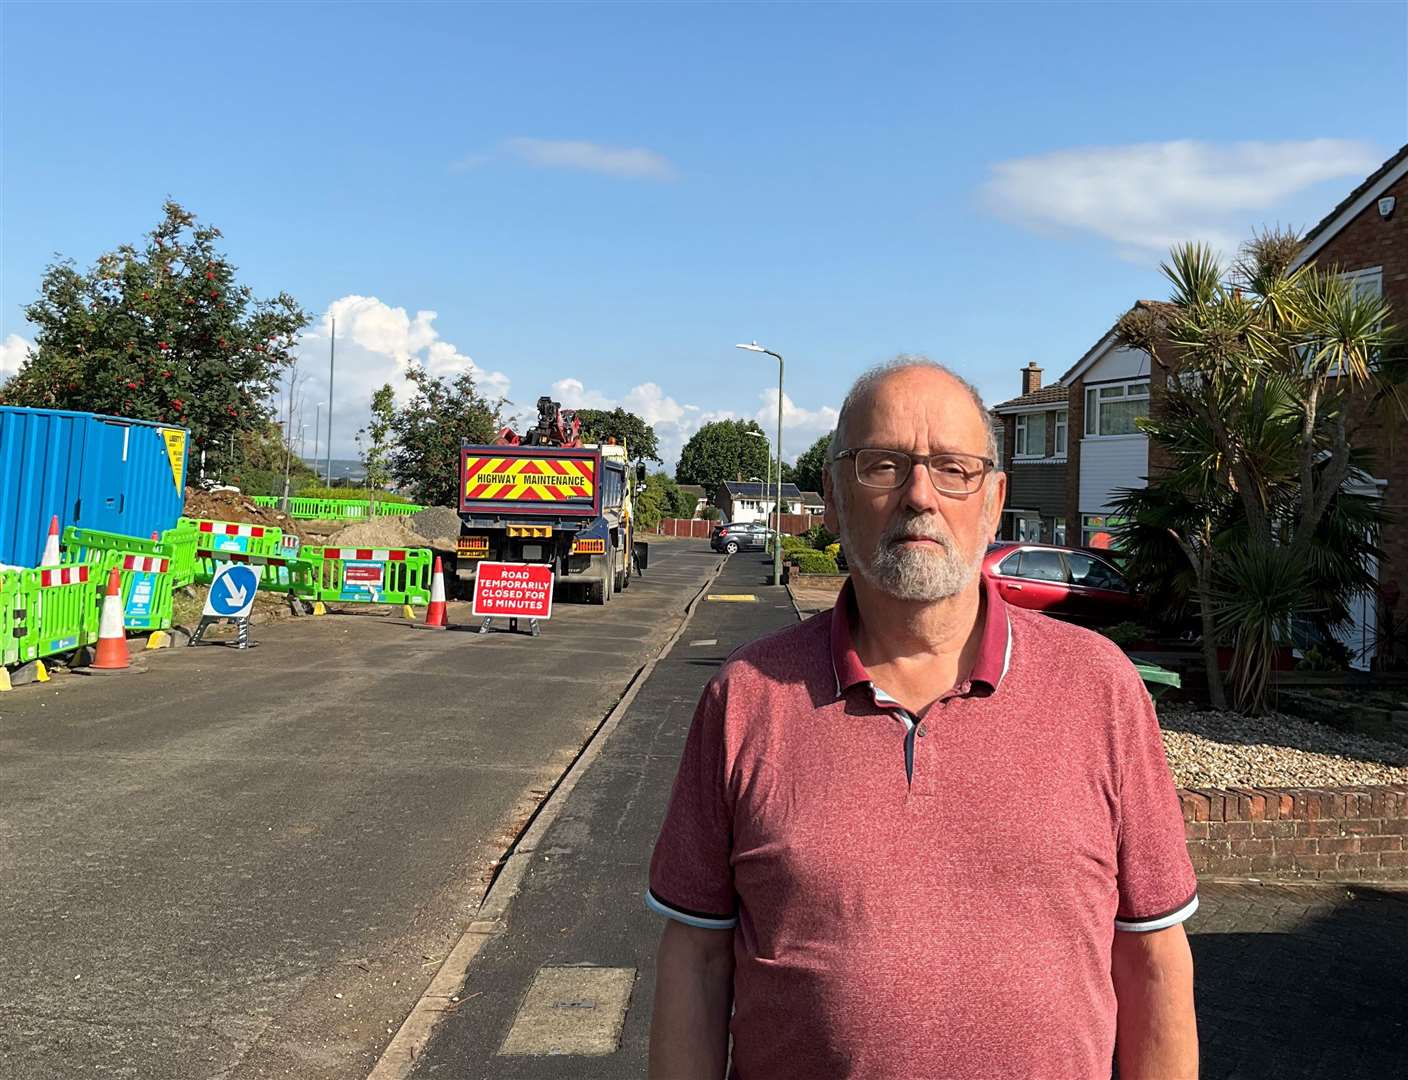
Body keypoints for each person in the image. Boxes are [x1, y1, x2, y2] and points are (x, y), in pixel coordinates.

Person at [645, 358, 1198, 1080]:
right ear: (834, 500)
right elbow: (695, 957)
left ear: (994, 500)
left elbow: (1152, 957)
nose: (919, 495)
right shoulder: (747, 697)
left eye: (953, 468)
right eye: (882, 465)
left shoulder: (1100, 688)